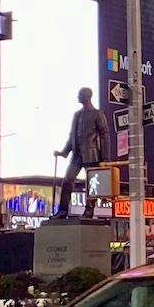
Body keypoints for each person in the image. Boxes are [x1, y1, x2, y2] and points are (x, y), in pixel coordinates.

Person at [54, 86, 114, 217]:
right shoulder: (77, 115)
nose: (78, 97)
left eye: (80, 95)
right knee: (67, 180)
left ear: (87, 96)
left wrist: (105, 158)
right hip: (77, 155)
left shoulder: (97, 114)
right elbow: (72, 136)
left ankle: (89, 210)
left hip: (92, 155)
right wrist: (64, 152)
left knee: (91, 184)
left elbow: (105, 135)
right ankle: (63, 210)